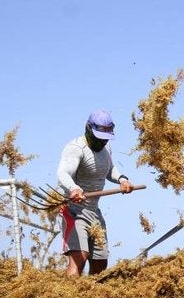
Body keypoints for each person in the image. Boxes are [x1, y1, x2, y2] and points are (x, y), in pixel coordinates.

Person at [56, 109, 135, 276]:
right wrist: (74, 189)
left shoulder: (107, 149)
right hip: (73, 210)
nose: (103, 142)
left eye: (106, 138)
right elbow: (63, 173)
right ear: (88, 129)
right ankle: (67, 297)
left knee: (100, 262)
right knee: (79, 256)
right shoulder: (76, 148)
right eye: (100, 138)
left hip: (94, 211)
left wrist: (122, 180)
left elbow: (110, 169)